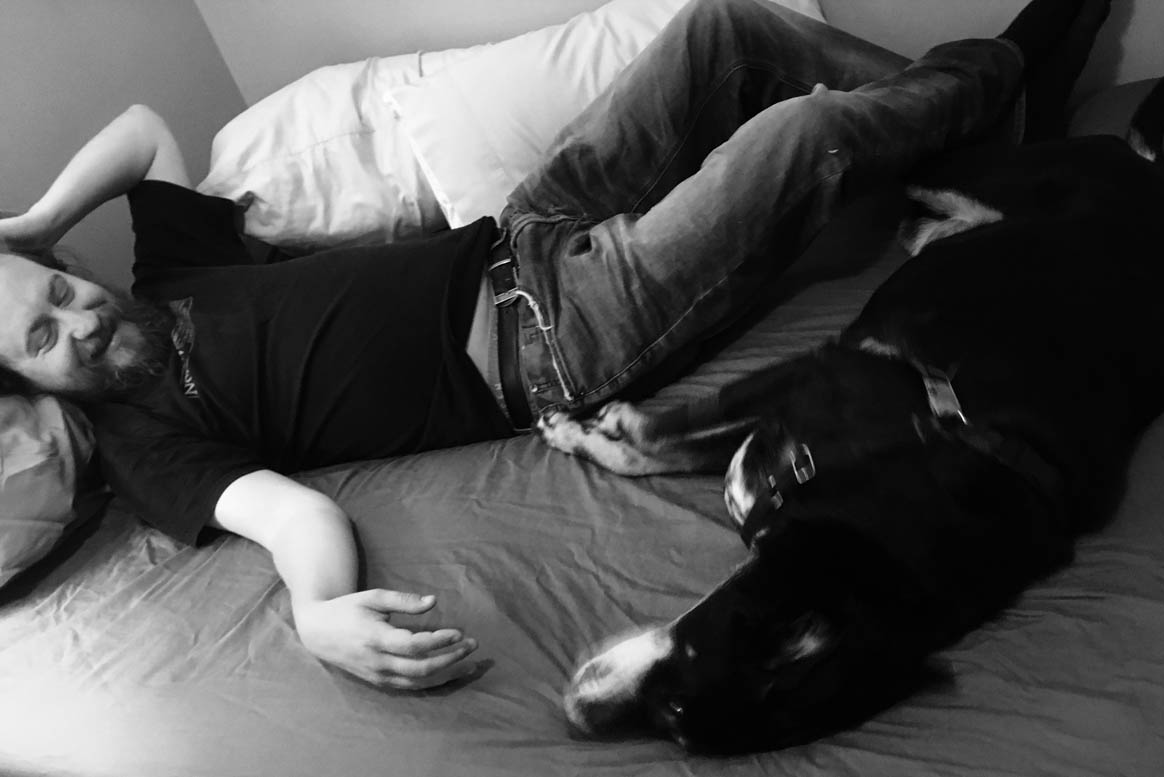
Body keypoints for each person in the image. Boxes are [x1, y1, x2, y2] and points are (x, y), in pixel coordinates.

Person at [0, 0, 1108, 691]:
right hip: (558, 341)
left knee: (725, 27)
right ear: (24, 380)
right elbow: (291, 517)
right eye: (45, 340)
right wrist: (316, 609)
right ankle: (1002, 85)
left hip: (523, 228)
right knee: (799, 140)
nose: (80, 321)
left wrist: (29, 229)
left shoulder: (164, 278)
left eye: (59, 291)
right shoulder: (146, 443)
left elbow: (146, 131)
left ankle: (969, 110)